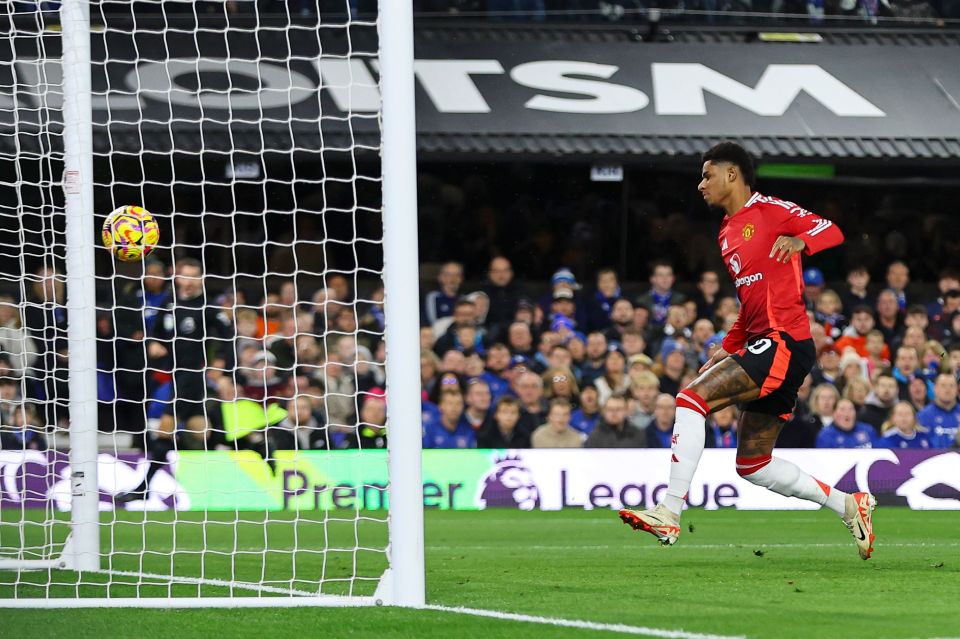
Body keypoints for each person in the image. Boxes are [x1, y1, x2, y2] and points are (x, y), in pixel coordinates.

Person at [618, 142, 876, 561]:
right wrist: (730, 345)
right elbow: (751, 302)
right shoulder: (726, 233)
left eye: (707, 175)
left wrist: (800, 243)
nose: (701, 184)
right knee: (753, 464)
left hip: (783, 340)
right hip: (769, 342)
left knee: (690, 399)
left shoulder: (770, 210)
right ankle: (848, 504)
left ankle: (669, 509)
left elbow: (832, 230)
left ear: (732, 174)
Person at [916, 373, 960, 448]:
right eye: (943, 386)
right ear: (935, 389)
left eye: (951, 386)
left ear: (957, 389)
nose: (948, 389)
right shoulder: (923, 416)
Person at [422, 261, 463, 329]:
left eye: (457, 275)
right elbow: (431, 323)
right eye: (448, 275)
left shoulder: (464, 299)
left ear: (461, 279)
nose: (453, 279)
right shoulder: (433, 297)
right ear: (440, 277)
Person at [585, 268, 623, 333]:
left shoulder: (625, 300)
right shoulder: (590, 302)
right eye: (603, 281)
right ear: (598, 284)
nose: (606, 284)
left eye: (610, 280)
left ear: (616, 283)